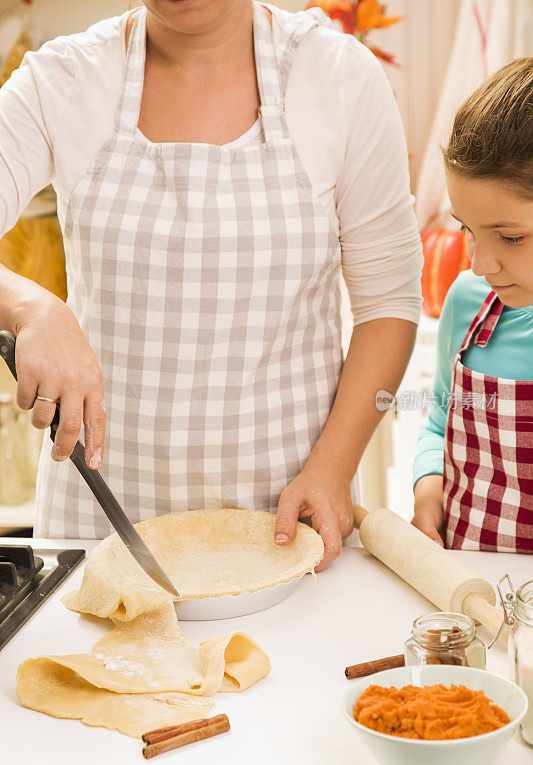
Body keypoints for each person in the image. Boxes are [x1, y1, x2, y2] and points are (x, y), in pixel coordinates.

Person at [0, 0, 422, 568]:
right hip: (99, 532)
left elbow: (387, 304)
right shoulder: (64, 79)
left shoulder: (339, 79)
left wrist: (333, 469)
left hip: (284, 528)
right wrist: (29, 307)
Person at [412, 57, 533, 551]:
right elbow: (441, 418)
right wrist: (427, 500)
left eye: (509, 236)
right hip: (468, 586)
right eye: (466, 227)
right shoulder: (468, 302)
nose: (481, 263)